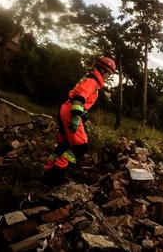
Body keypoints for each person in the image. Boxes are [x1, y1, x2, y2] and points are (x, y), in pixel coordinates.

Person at [42, 56, 116, 186]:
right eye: (109, 74)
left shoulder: (90, 78)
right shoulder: (92, 81)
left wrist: (82, 115)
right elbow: (79, 98)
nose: (108, 77)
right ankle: (56, 174)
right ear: (104, 71)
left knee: (64, 144)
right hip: (71, 111)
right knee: (80, 147)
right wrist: (76, 117)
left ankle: (47, 172)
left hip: (66, 109)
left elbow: (81, 101)